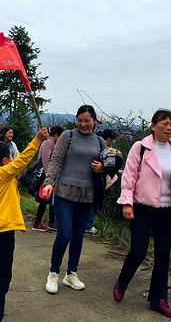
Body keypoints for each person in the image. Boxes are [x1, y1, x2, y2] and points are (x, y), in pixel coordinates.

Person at [113, 109, 171, 318]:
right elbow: (129, 177)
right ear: (153, 125)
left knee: (163, 257)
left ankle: (157, 299)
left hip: (167, 211)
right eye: (165, 123)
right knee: (139, 251)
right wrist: (127, 203)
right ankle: (122, 281)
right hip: (142, 208)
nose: (169, 128)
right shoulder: (140, 148)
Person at [0, 127, 49, 321]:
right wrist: (37, 139)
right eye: (11, 158)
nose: (14, 161)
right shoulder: (1, 175)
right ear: (5, 162)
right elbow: (22, 161)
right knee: (2, 277)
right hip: (1, 232)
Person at [43, 105, 106, 294]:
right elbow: (56, 160)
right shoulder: (68, 136)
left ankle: (71, 273)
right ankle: (53, 272)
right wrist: (49, 182)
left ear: (95, 121)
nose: (83, 124)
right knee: (64, 234)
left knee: (78, 236)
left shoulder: (100, 141)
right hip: (64, 192)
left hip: (87, 195)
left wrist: (102, 169)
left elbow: (107, 165)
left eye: (87, 120)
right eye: (80, 120)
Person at [85, 129, 122, 234]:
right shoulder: (103, 148)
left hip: (85, 177)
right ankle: (88, 224)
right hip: (94, 179)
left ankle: (85, 223)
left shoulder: (92, 142)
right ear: (109, 139)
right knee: (93, 200)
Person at [32, 125, 63, 232]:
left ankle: (51, 222)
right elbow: (45, 160)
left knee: (51, 200)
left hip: (50, 177)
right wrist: (48, 176)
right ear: (56, 135)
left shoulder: (52, 144)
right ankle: (37, 222)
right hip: (46, 177)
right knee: (44, 200)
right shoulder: (47, 143)